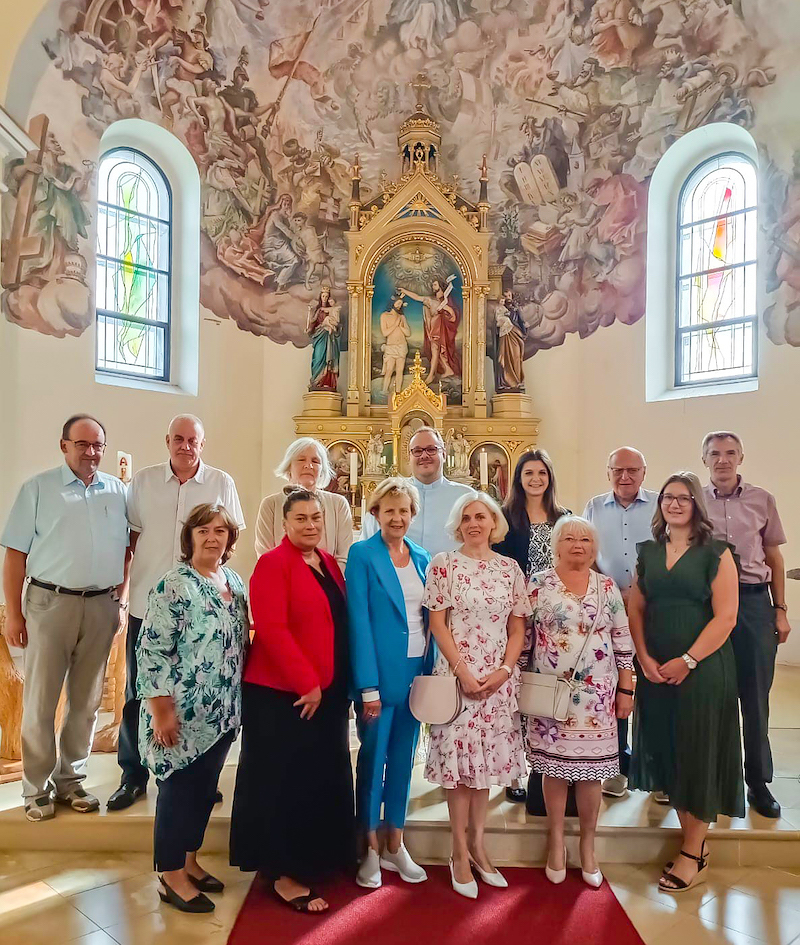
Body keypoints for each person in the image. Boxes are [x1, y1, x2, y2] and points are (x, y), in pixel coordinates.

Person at [108, 414, 245, 812]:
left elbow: (228, 538)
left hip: (202, 610)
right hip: (150, 604)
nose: (186, 446)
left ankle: (200, 774)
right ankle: (133, 775)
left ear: (202, 444)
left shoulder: (221, 482)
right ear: (167, 441)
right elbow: (130, 542)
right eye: (179, 439)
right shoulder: (143, 482)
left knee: (203, 692)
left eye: (193, 440)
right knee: (140, 692)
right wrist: (123, 596)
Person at [230, 489, 356, 914]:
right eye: (300, 518)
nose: (310, 524)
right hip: (284, 695)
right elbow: (272, 629)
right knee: (283, 783)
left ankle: (318, 859)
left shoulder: (327, 562)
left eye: (315, 517)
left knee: (317, 778)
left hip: (326, 693)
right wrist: (308, 683)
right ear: (284, 524)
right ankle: (282, 873)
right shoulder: (272, 563)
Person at [1, 415, 128, 822]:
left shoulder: (117, 491)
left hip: (101, 605)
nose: (91, 452)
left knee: (87, 701)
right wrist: (14, 614)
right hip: (50, 603)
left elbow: (128, 550)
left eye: (97, 445)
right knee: (41, 700)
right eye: (82, 444)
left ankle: (71, 779)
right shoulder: (38, 489)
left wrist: (121, 599)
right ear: (64, 446)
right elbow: (15, 554)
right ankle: (36, 787)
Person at [629, 473, 743, 892]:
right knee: (670, 750)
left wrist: (689, 660)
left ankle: (693, 851)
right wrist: (643, 657)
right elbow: (635, 608)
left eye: (684, 498)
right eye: (668, 497)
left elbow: (726, 617)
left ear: (697, 504)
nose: (674, 504)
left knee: (698, 752)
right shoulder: (649, 551)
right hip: (656, 669)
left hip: (704, 669)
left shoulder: (716, 553)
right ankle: (693, 842)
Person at [137, 504, 248, 913]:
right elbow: (151, 651)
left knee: (203, 794)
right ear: (190, 538)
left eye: (220, 530)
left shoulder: (233, 581)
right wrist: (162, 712)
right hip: (180, 714)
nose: (212, 538)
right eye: (203, 531)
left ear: (230, 538)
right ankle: (170, 875)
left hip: (220, 714)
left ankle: (189, 861)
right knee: (177, 793)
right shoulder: (174, 584)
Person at [423, 491, 531, 899]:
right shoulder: (444, 564)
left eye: (481, 516)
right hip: (458, 678)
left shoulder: (509, 569)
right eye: (466, 517)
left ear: (493, 523)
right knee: (459, 764)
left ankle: (479, 846)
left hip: (497, 681)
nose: (474, 523)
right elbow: (438, 624)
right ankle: (458, 851)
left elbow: (518, 628)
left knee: (483, 765)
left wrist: (504, 671)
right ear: (458, 524)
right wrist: (463, 672)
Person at [524, 516, 634, 888]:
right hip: (550, 694)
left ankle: (588, 845)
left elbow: (622, 640)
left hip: (597, 697)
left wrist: (626, 688)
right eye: (569, 538)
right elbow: (524, 639)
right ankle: (556, 841)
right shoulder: (538, 584)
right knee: (553, 770)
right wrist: (517, 685)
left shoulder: (607, 587)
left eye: (585, 539)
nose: (577, 545)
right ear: (556, 545)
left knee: (592, 774)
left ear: (594, 547)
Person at [346, 478, 431, 889]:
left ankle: (396, 843)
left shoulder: (423, 557)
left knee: (403, 761)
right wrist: (367, 686)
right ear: (376, 513)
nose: (397, 517)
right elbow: (359, 622)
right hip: (378, 677)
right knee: (373, 760)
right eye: (389, 510)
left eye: (404, 510)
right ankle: (369, 848)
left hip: (416, 674)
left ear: (413, 515)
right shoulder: (363, 554)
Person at [701, 432, 790, 819]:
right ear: (704, 460)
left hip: (754, 602)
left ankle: (757, 781)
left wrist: (780, 609)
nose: (722, 460)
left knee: (755, 699)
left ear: (741, 457)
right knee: (712, 696)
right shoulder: (694, 501)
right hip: (708, 605)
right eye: (715, 454)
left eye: (730, 453)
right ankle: (716, 778)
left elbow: (774, 557)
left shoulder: (761, 499)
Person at [494, 448, 570, 803]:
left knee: (546, 686)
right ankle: (514, 773)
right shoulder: (505, 518)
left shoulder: (564, 517)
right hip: (515, 615)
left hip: (554, 617)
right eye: (529, 473)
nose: (536, 479)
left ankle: (551, 764)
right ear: (519, 479)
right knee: (515, 687)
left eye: (542, 473)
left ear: (550, 478)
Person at [583, 447, 658, 800]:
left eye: (632, 470)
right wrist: (611, 591)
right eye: (618, 470)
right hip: (609, 610)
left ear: (644, 472)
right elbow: (588, 554)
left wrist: (640, 592)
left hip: (653, 609)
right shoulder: (594, 507)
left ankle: (656, 769)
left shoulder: (660, 504)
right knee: (616, 689)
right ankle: (617, 767)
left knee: (654, 688)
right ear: (608, 472)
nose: (625, 476)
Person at [362, 427, 473, 556]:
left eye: (431, 449)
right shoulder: (387, 495)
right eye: (417, 451)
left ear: (443, 454)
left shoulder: (466, 497)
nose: (424, 456)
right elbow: (367, 545)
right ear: (409, 457)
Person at [255, 437, 353, 569]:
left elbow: (344, 557)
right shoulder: (270, 505)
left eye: (315, 461)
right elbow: (265, 555)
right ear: (289, 467)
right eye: (301, 460)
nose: (308, 465)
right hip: (282, 578)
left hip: (328, 579)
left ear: (322, 470)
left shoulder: (338, 504)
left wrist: (327, 580)